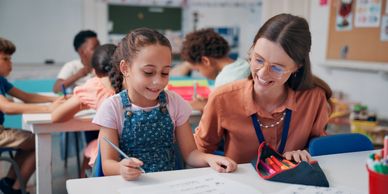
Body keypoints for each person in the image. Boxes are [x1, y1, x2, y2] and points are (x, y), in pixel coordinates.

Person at [93, 28, 237, 181]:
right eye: (148, 72)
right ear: (125, 68)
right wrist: (121, 168)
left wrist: (209, 159)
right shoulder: (112, 108)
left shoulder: (174, 103)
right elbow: (107, 165)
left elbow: (190, 154)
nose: (158, 81)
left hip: (168, 184)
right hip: (131, 185)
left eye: (165, 73)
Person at [194, 14, 333, 164]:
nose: (262, 73)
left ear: (297, 67)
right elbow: (198, 152)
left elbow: (319, 149)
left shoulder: (314, 98)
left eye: (276, 68)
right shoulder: (222, 98)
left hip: (292, 184)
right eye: (258, 60)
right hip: (239, 184)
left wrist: (304, 153)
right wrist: (212, 161)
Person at [0, 37, 64, 194]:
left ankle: (9, 182)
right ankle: (15, 189)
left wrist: (56, 99)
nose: (10, 63)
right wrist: (49, 109)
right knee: (37, 142)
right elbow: (7, 107)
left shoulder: (1, 80)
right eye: (5, 59)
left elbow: (27, 96)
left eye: (10, 59)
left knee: (31, 140)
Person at [51, 44, 117, 176]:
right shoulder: (137, 82)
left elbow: (56, 117)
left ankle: (84, 185)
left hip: (111, 153)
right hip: (140, 149)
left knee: (94, 146)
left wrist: (57, 105)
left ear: (94, 71)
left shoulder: (94, 86)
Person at [180, 28, 250, 111]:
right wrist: (210, 102)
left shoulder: (224, 81)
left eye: (198, 70)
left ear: (205, 61)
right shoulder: (243, 64)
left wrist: (204, 106)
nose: (201, 73)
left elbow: (225, 115)